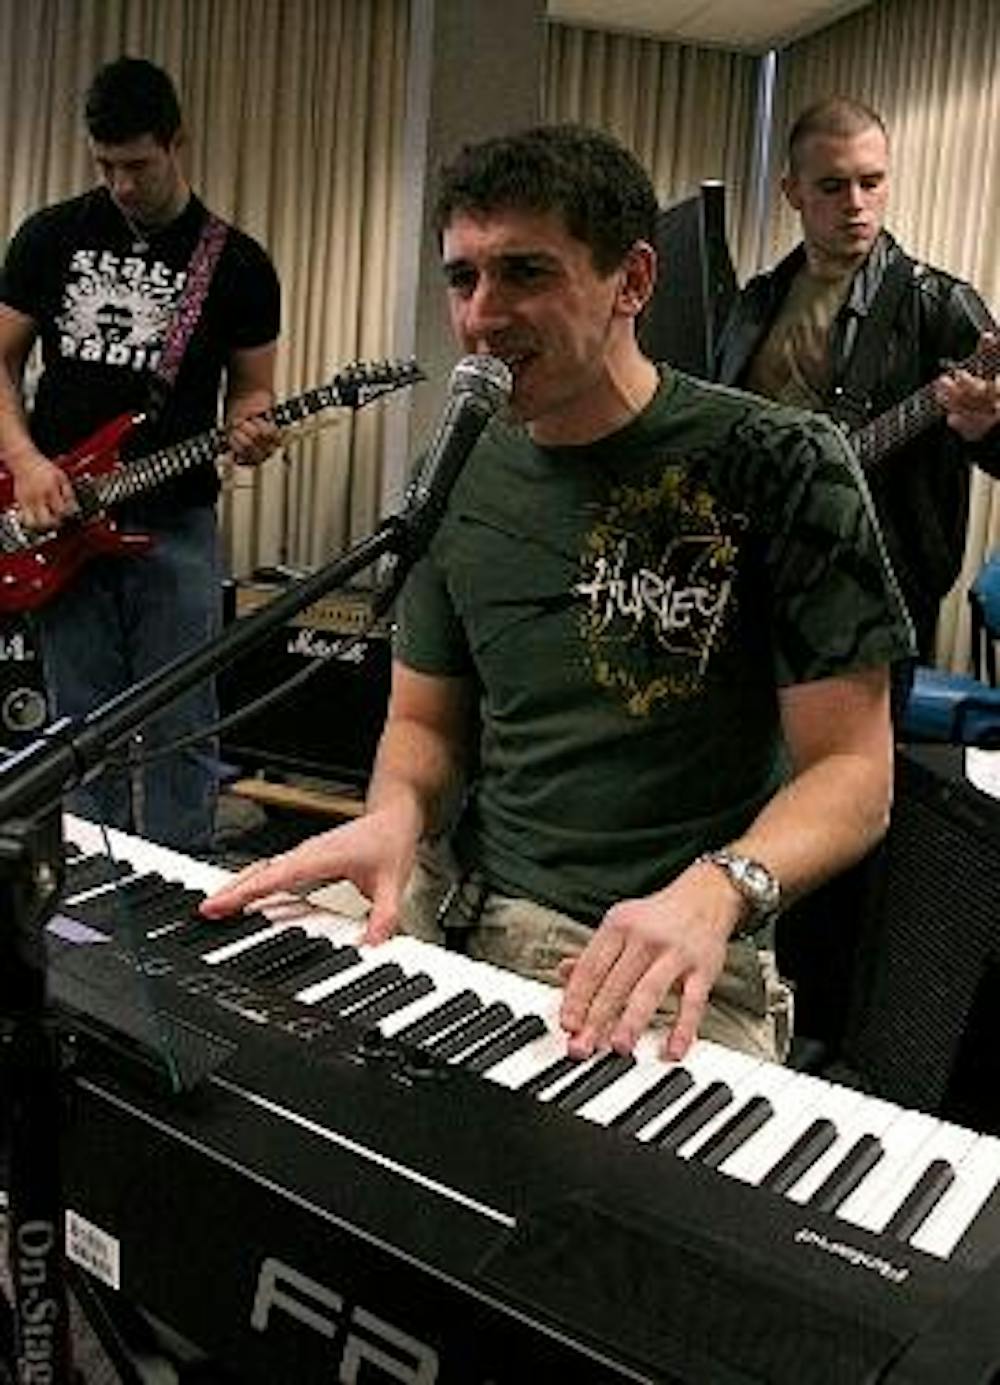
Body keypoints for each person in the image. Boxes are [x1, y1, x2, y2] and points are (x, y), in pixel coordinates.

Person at [203, 124, 912, 1064]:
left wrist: (718, 888)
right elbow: (423, 726)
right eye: (464, 279)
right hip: (447, 899)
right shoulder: (458, 468)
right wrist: (390, 819)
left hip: (656, 949)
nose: (482, 316)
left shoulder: (780, 463)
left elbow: (855, 777)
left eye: (526, 273)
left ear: (634, 281)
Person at [0, 56, 280, 854]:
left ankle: (179, 900)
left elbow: (253, 393)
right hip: (62, 520)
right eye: (105, 165)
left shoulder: (238, 264)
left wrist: (256, 429)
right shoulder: (50, 237)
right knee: (76, 727)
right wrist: (25, 462)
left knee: (183, 727)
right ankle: (92, 909)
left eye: (138, 164)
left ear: (178, 141)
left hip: (175, 520)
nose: (121, 184)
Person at [716, 96, 1000, 668]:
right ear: (792, 191)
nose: (856, 205)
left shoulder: (938, 303)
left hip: (874, 602)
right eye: (832, 186)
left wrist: (988, 428)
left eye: (872, 183)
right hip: (753, 583)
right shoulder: (758, 300)